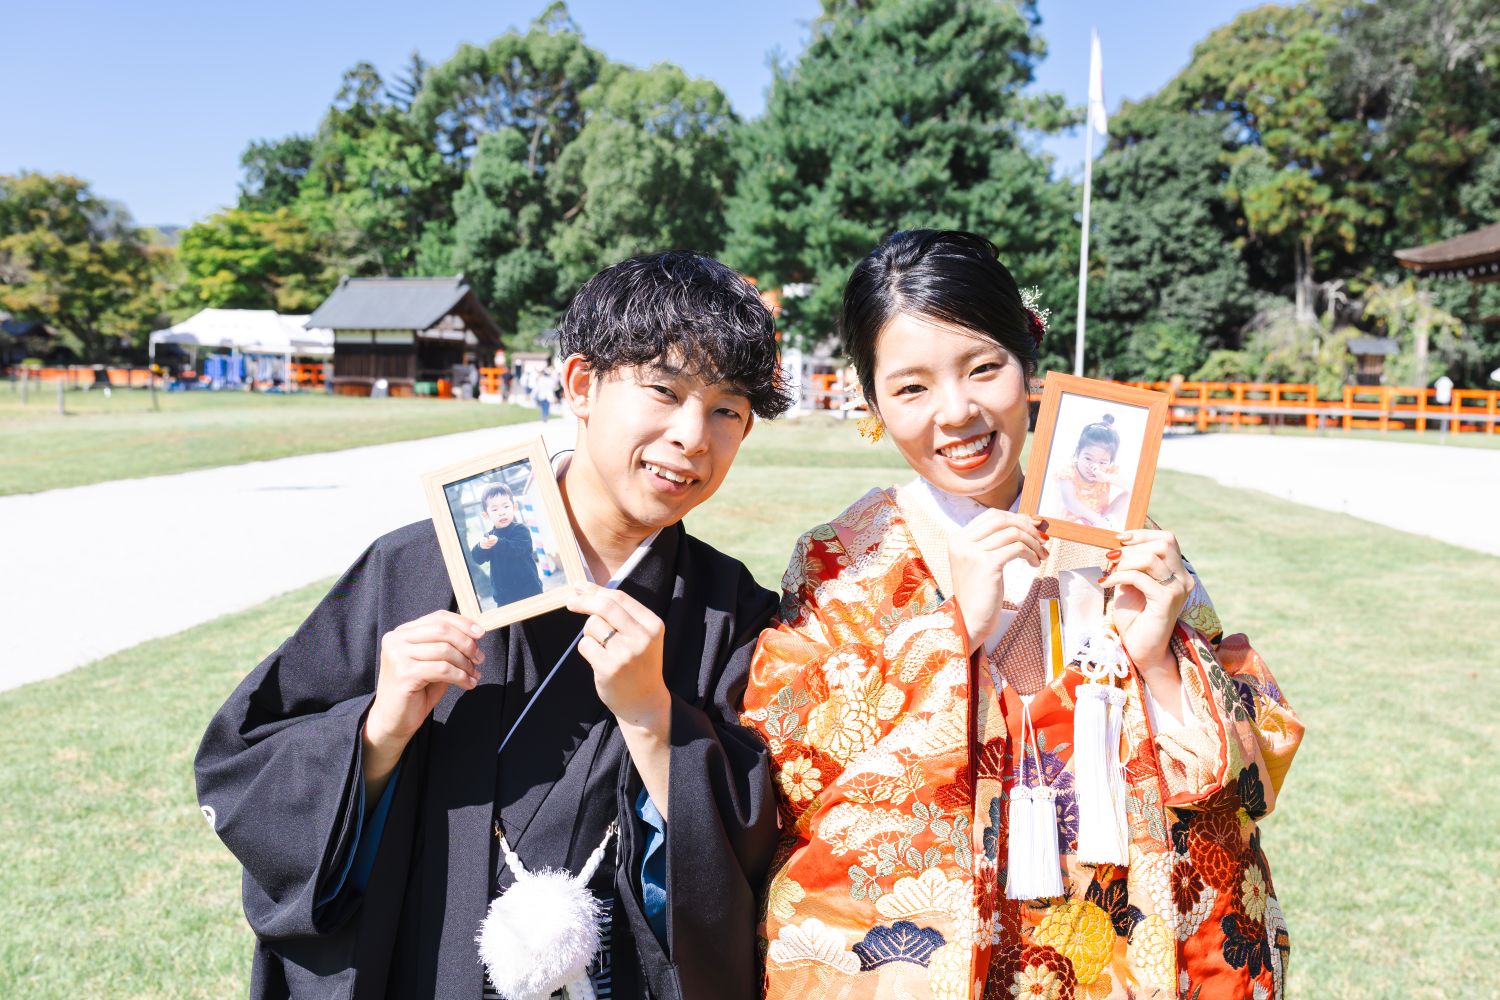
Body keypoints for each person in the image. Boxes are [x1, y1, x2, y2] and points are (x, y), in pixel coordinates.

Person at [196, 251, 796, 999]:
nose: (691, 436)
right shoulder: (419, 567)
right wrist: (378, 735)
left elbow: (769, 849)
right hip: (427, 964)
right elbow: (244, 767)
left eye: (727, 410)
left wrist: (654, 722)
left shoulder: (734, 613)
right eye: (663, 391)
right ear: (582, 385)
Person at [741, 231, 1302, 999]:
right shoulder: (846, 559)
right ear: (869, 403)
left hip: (1120, 939)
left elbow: (1253, 771)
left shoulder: (1122, 536)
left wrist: (1161, 664)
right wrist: (950, 633)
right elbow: (791, 765)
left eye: (983, 368)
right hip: (946, 952)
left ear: (1028, 365)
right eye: (911, 389)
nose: (958, 413)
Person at [467, 483, 544, 607]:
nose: (501, 513)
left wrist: (498, 542)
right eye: (495, 509)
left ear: (514, 507)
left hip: (529, 589)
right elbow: (477, 558)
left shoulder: (520, 530)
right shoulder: (489, 537)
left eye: (506, 506)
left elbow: (517, 549)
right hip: (504, 596)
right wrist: (481, 547)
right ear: (486, 515)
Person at [1053, 414, 1131, 528]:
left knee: (1129, 496)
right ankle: (1102, 526)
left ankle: (1107, 525)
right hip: (1075, 520)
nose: (1094, 466)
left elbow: (1133, 487)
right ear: (1078, 452)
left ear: (1110, 462)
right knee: (1078, 522)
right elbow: (1070, 502)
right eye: (1088, 458)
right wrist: (1096, 520)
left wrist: (1107, 478)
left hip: (1101, 519)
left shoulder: (1107, 473)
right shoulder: (1069, 473)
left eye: (1102, 462)